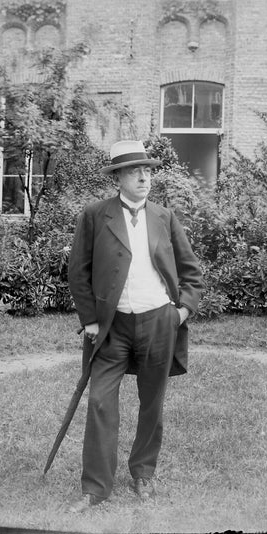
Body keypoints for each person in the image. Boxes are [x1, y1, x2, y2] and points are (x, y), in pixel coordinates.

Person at [68, 140, 203, 512]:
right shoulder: (95, 215)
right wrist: (91, 321)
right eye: (134, 171)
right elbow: (78, 273)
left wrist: (181, 313)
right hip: (112, 327)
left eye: (148, 170)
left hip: (158, 321)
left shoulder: (164, 217)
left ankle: (143, 471)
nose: (144, 177)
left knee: (152, 403)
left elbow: (192, 273)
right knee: (99, 401)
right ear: (118, 177)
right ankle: (95, 487)